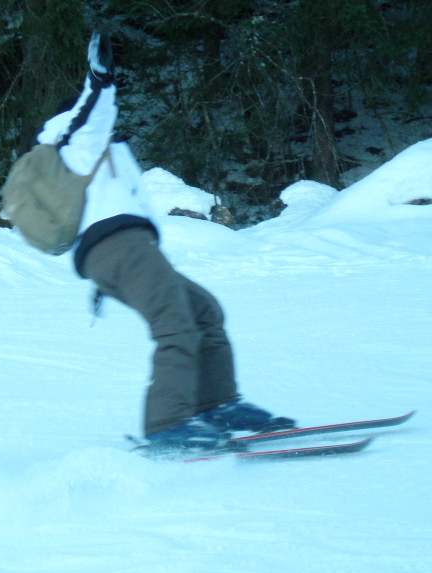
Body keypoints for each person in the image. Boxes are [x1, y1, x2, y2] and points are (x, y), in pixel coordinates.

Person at [35, 32, 294, 452]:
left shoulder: (91, 155)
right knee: (175, 322)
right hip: (120, 247)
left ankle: (217, 404)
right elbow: (92, 111)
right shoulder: (77, 139)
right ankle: (166, 425)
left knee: (203, 310)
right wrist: (100, 78)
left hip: (125, 251)